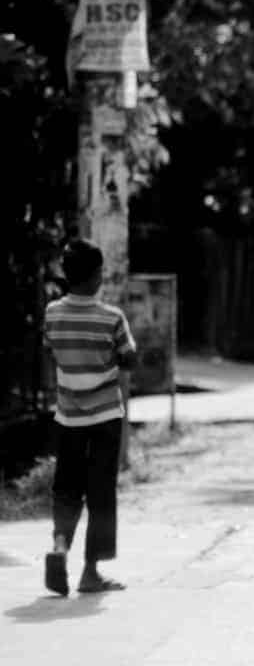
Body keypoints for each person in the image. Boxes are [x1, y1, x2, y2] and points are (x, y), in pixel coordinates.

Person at [41, 239, 137, 596]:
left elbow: (48, 349)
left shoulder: (52, 312)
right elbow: (130, 359)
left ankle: (59, 545)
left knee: (66, 488)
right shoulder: (111, 318)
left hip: (67, 418)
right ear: (96, 276)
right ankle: (90, 572)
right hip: (105, 419)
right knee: (100, 493)